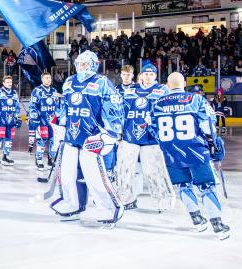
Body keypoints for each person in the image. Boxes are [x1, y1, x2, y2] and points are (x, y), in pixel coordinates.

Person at [150, 72, 229, 240]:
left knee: (183, 186)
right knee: (206, 186)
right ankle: (217, 224)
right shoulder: (196, 99)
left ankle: (197, 219)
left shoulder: (156, 103)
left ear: (167, 85)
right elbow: (208, 125)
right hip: (196, 151)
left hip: (171, 153)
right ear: (184, 83)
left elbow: (153, 129)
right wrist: (213, 143)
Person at [49, 50, 125, 225]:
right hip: (71, 136)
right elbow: (64, 107)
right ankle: (71, 203)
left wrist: (111, 132)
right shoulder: (69, 82)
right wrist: (60, 128)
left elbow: (113, 107)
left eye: (85, 63)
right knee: (67, 174)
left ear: (92, 64)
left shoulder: (102, 82)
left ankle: (110, 208)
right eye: (79, 63)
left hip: (92, 137)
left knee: (95, 176)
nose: (81, 66)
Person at [114, 64, 174, 211]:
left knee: (155, 171)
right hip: (129, 136)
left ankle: (163, 202)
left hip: (151, 138)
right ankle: (124, 200)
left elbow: (167, 112)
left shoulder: (162, 90)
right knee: (124, 170)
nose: (148, 77)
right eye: (146, 74)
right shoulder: (131, 90)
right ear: (141, 75)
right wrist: (118, 131)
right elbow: (120, 112)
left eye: (151, 74)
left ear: (155, 76)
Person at [28, 72, 59, 170]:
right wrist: (34, 117)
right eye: (46, 78)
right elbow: (32, 106)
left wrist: (59, 117)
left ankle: (51, 159)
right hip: (41, 121)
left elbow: (57, 106)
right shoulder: (37, 91)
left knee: (53, 141)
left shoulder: (54, 91)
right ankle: (39, 160)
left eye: (49, 78)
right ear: (42, 79)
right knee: (41, 141)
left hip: (52, 122)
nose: (48, 80)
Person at [0, 75, 22, 166]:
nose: (9, 84)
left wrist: (17, 118)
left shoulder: (14, 93)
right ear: (3, 83)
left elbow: (16, 108)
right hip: (0, 120)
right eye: (7, 82)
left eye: (10, 82)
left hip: (11, 121)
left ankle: (6, 156)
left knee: (9, 139)